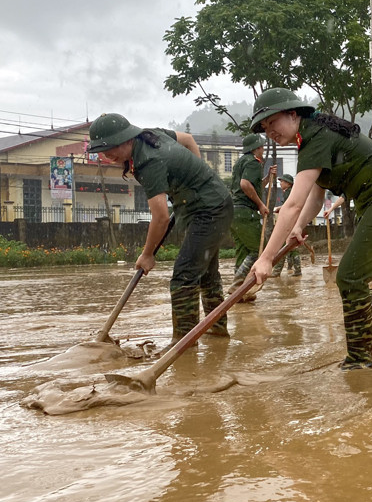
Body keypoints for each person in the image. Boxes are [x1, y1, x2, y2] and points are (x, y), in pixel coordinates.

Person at [247, 87, 372, 370]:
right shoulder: (311, 139)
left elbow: (292, 204)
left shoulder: (314, 136)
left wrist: (266, 257)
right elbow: (315, 197)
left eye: (273, 122)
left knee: (351, 276)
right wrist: (299, 227)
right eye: (265, 128)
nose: (270, 132)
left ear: (293, 114)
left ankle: (359, 361)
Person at [86, 113, 233, 343]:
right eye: (102, 151)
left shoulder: (148, 162)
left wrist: (147, 254)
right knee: (206, 273)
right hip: (209, 204)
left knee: (184, 276)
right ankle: (217, 332)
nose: (107, 155)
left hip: (210, 210)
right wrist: (196, 177)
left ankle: (184, 345)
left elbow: (161, 218)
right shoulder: (150, 135)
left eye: (110, 148)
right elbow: (188, 140)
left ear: (126, 139)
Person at [230, 132, 270, 284]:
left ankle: (240, 290)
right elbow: (245, 184)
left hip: (234, 212)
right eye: (262, 147)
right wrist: (260, 204)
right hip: (246, 212)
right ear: (256, 148)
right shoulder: (253, 162)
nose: (263, 150)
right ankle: (239, 283)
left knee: (243, 251)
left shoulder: (240, 162)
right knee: (259, 250)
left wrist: (268, 177)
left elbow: (254, 187)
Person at [272, 173, 302, 277]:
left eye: (282, 181)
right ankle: (295, 269)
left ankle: (277, 271)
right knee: (291, 246)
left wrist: (280, 208)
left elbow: (289, 206)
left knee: (284, 246)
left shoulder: (289, 193)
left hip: (290, 222)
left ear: (288, 183)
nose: (280, 183)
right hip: (293, 221)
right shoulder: (291, 192)